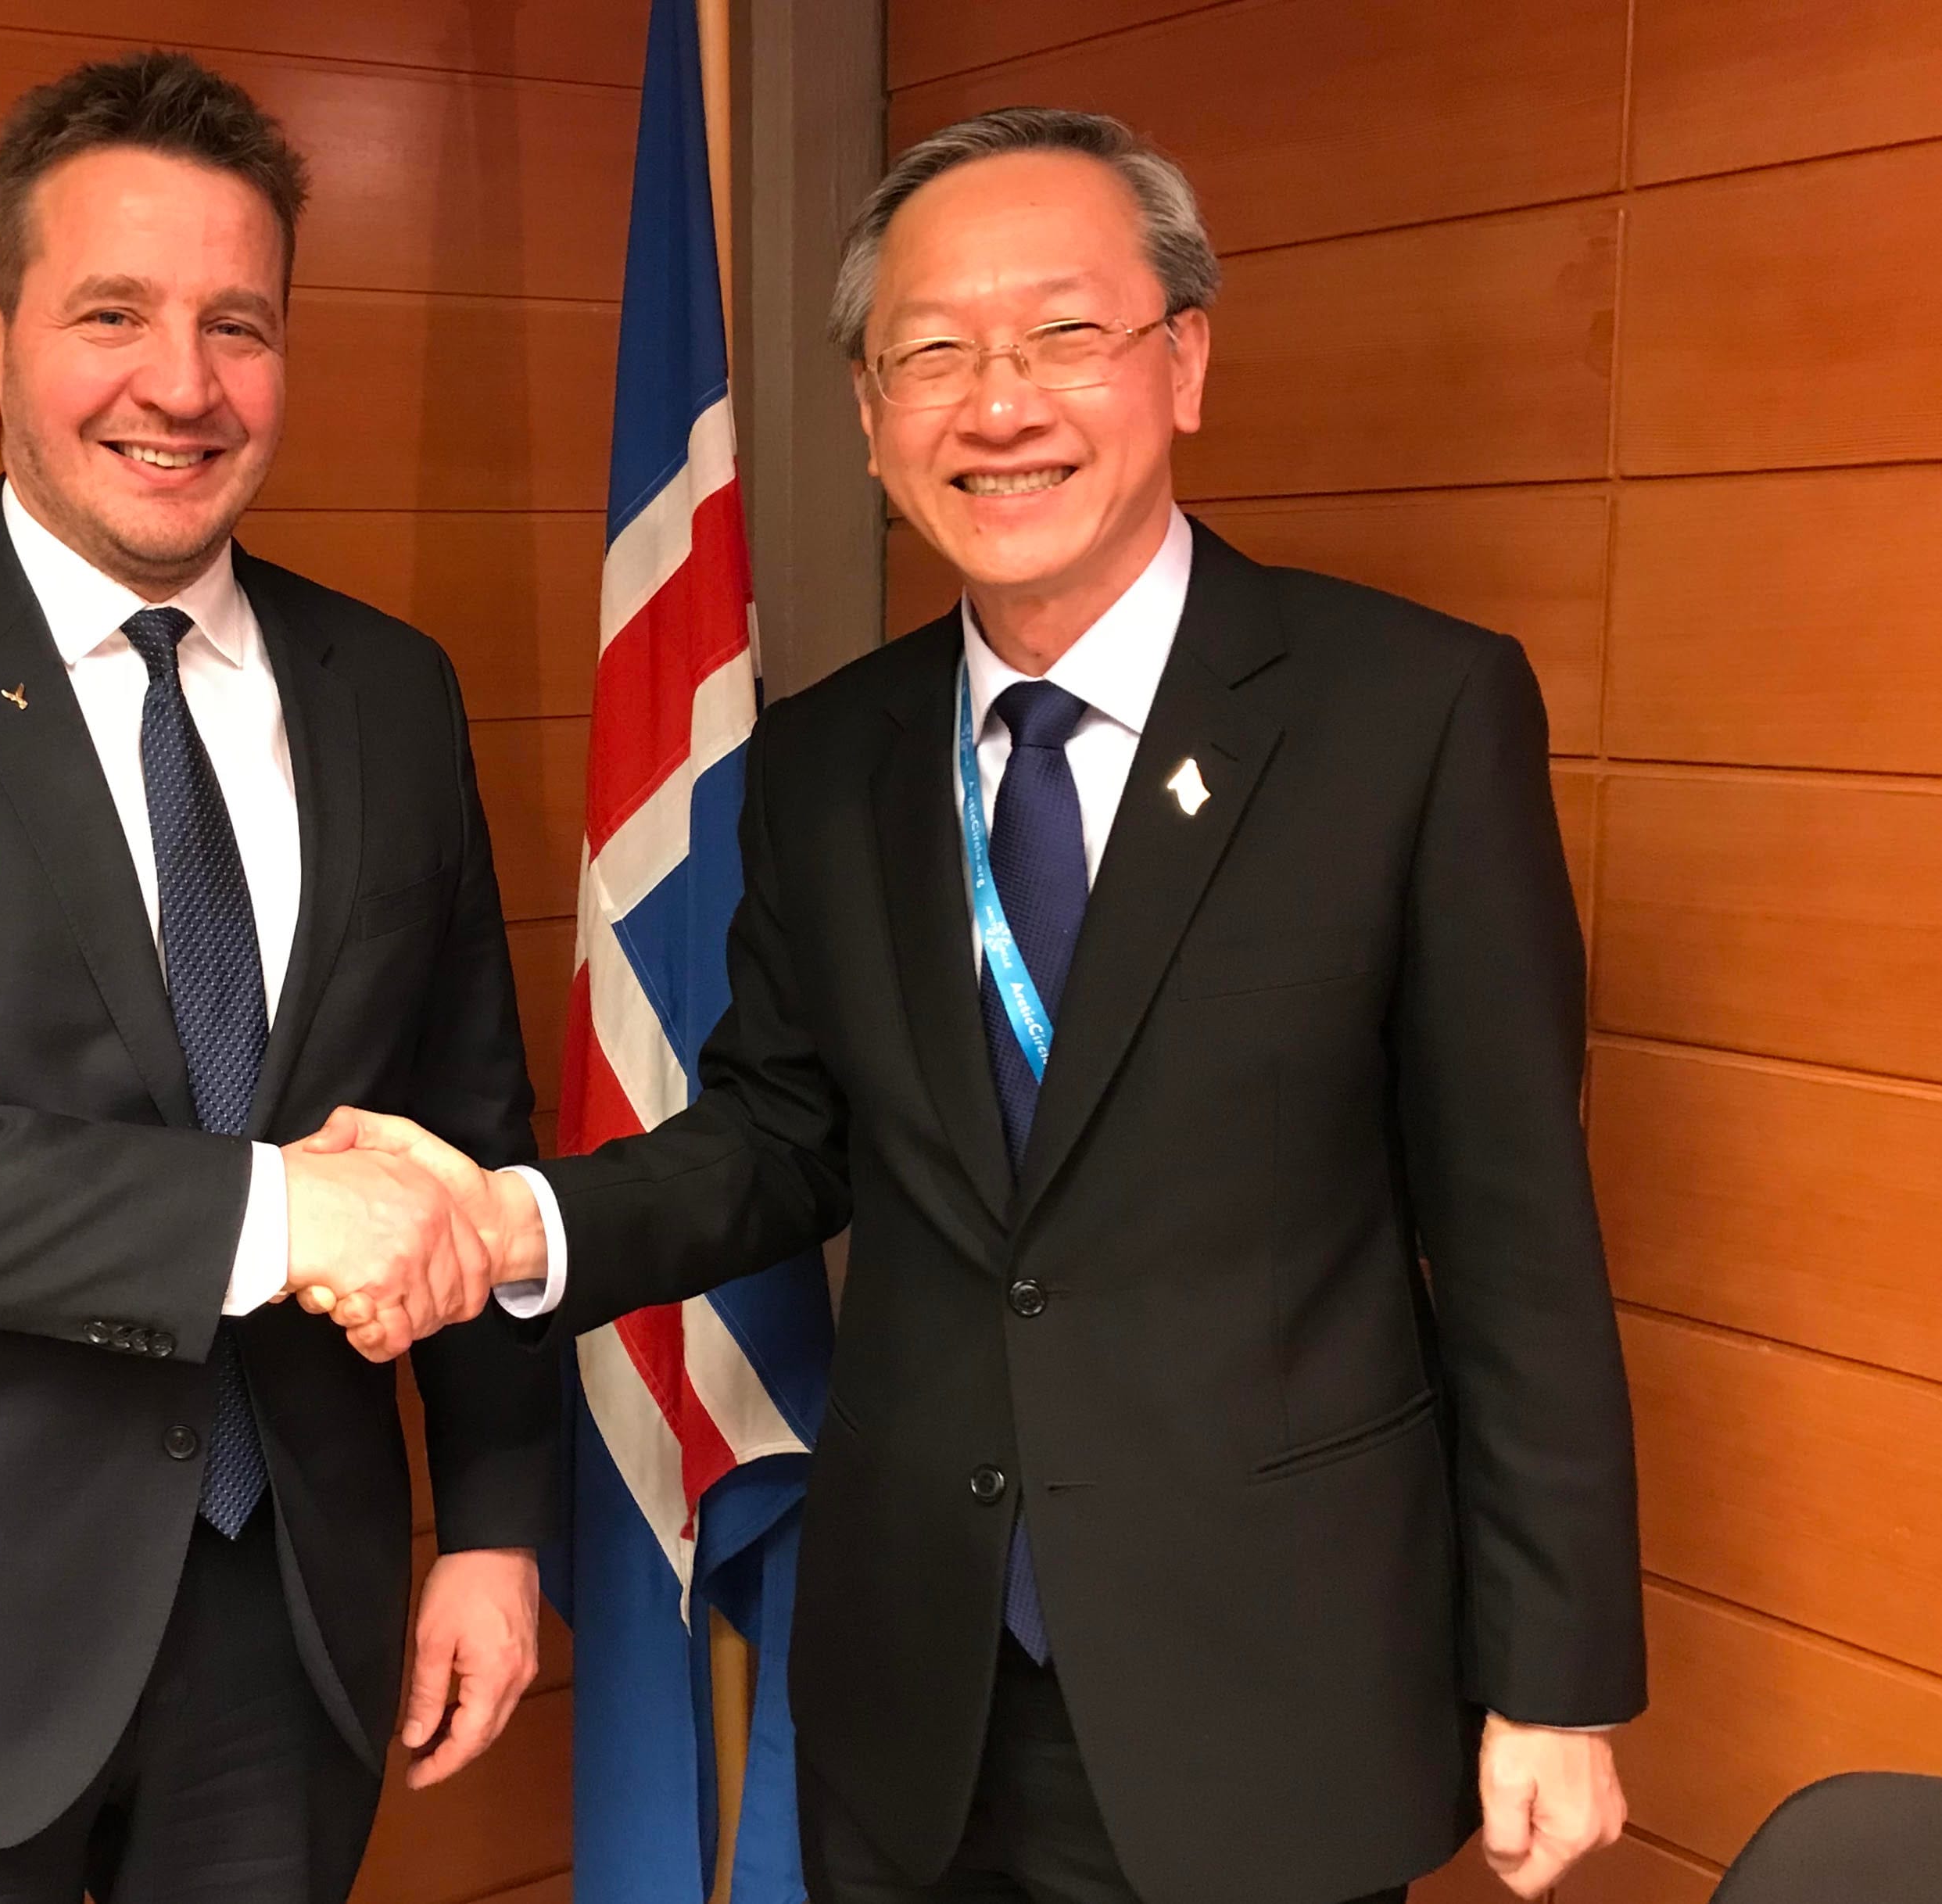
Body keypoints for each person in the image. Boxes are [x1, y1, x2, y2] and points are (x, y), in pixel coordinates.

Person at [299, 108, 1646, 1904]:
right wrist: (506, 1219)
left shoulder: (1404, 718)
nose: (993, 404)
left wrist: (1550, 1679)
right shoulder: (825, 760)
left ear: (1181, 363)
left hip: (1263, 1685)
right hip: (911, 1688)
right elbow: (777, 1142)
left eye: (1061, 336)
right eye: (928, 353)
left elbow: (1513, 1239)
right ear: (869, 418)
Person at [0, 51, 540, 1904]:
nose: (182, 385)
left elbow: (466, 1132)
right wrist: (273, 1209)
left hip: (290, 1638)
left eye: (239, 323)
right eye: (111, 312)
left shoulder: (392, 691)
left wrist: (497, 1530)